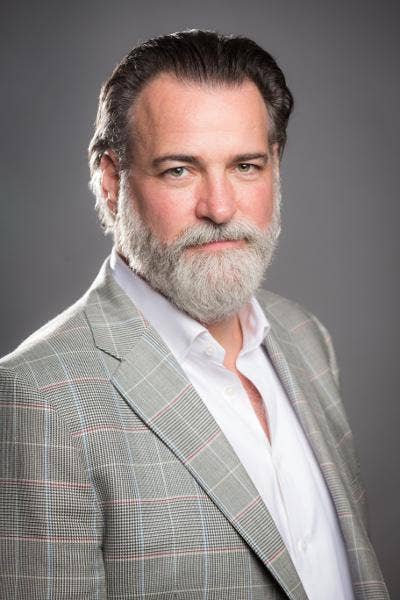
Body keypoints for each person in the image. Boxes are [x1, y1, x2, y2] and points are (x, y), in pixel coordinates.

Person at [0, 29, 389, 600]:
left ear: (275, 167)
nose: (220, 208)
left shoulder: (306, 338)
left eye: (246, 166)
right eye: (179, 170)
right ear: (111, 182)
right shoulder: (38, 398)